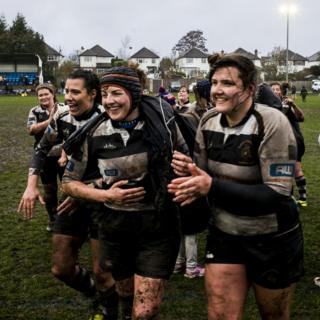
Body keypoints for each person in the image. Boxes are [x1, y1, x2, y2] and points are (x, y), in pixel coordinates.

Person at [168, 53, 304, 319]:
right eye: (215, 82)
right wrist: (190, 171)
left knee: (274, 315)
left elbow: (277, 194)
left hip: (272, 238)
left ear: (249, 88)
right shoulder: (207, 121)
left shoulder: (273, 123)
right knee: (219, 314)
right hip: (225, 234)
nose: (217, 90)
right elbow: (203, 174)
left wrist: (211, 186)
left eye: (227, 83)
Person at [62, 65, 189, 319]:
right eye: (105, 94)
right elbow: (68, 183)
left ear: (133, 93)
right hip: (115, 229)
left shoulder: (162, 127)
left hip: (157, 228)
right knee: (127, 300)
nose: (109, 101)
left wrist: (185, 172)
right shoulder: (93, 133)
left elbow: (188, 162)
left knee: (145, 311)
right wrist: (105, 195)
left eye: (116, 93)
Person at [18, 69, 116, 319]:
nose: (68, 97)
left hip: (103, 202)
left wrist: (83, 191)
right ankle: (98, 295)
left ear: (93, 94)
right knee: (61, 268)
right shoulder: (62, 117)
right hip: (71, 199)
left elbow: (118, 173)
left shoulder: (110, 122)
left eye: (75, 91)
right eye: (66, 91)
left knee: (103, 271)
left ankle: (110, 309)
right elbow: (41, 149)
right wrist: (31, 185)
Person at [26, 83, 65, 231]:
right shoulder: (34, 111)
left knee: (68, 189)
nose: (43, 97)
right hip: (45, 157)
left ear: (53, 94)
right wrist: (49, 122)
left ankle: (69, 220)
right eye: (40, 95)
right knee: (49, 191)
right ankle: (53, 220)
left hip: (64, 156)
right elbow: (31, 130)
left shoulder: (63, 108)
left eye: (46, 94)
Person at [271, 81, 307, 207]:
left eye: (277, 89)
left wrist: (294, 105)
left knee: (291, 170)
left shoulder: (286, 103)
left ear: (281, 91)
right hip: (283, 141)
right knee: (291, 170)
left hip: (293, 141)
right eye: (273, 89)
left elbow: (301, 118)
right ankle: (296, 198)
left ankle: (297, 198)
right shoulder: (269, 105)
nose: (275, 91)